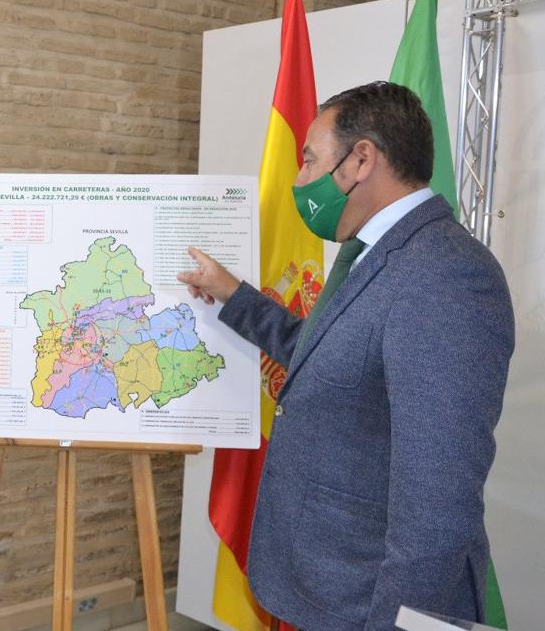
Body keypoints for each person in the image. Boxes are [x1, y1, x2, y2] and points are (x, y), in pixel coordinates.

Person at [178, 81, 513, 630]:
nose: (299, 180)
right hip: (325, 587)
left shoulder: (446, 275)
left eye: (309, 160)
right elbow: (326, 359)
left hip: (367, 605)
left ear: (361, 160)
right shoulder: (371, 252)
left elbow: (437, 504)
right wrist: (235, 295)